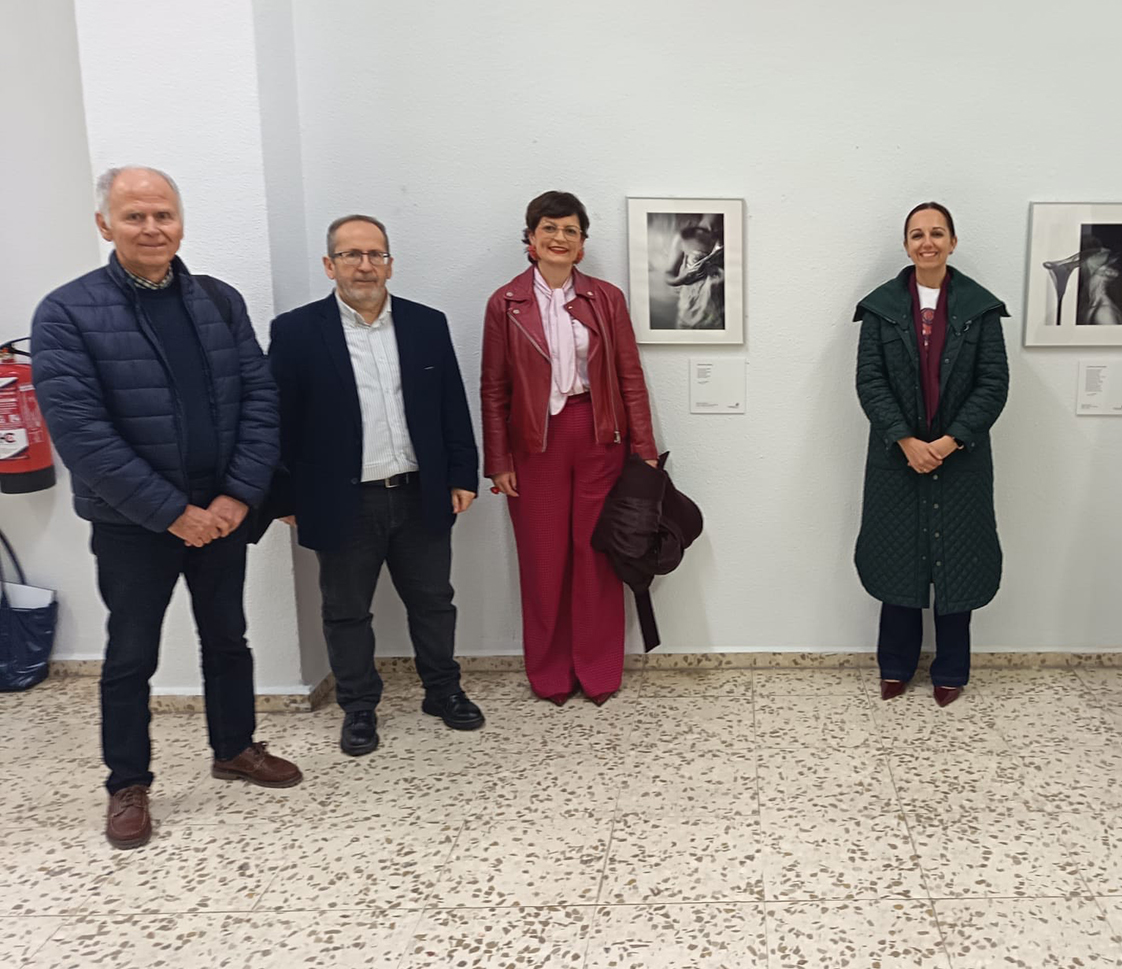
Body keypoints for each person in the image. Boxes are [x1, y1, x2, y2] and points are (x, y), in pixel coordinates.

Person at [30, 166, 301, 850]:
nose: (151, 228)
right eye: (134, 216)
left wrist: (237, 495)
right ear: (105, 225)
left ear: (180, 222)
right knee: (131, 654)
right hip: (133, 524)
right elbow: (82, 436)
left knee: (228, 637)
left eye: (163, 215)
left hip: (223, 513)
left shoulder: (218, 300)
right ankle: (127, 782)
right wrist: (172, 512)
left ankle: (234, 747)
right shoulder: (66, 313)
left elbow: (259, 398)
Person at [268, 214, 484, 756]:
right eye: (351, 255)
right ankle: (359, 707)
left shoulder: (426, 324)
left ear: (390, 263)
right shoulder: (296, 332)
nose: (364, 265)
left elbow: (452, 406)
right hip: (341, 499)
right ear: (329, 265)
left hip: (419, 491)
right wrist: (285, 495)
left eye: (375, 255)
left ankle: (443, 690)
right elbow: (277, 420)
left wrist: (462, 474)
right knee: (346, 611)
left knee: (434, 602)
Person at [480, 191, 658, 704]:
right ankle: (550, 672)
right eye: (549, 228)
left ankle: (598, 669)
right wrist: (498, 460)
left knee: (596, 556)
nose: (559, 238)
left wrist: (644, 448)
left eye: (570, 231)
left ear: (581, 245)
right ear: (531, 238)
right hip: (534, 446)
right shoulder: (505, 303)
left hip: (600, 438)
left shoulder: (606, 298)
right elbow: (494, 388)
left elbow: (629, 376)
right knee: (543, 559)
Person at [853, 202, 1009, 706]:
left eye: (937, 233)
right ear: (906, 245)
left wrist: (949, 441)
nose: (928, 242)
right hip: (896, 457)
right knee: (899, 560)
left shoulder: (980, 307)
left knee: (957, 562)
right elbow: (870, 381)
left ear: (953, 242)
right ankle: (895, 666)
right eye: (917, 234)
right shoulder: (880, 307)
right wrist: (905, 440)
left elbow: (993, 384)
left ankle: (951, 669)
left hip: (960, 458)